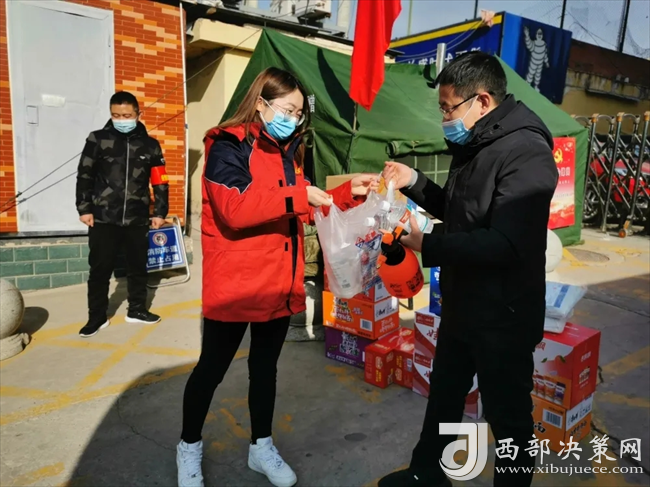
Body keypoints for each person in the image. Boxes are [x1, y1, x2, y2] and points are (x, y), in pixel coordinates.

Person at [176, 67, 378, 487]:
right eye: (287, 109)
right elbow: (234, 208)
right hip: (235, 286)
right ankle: (188, 447)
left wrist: (346, 193)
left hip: (277, 282)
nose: (293, 119)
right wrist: (298, 195)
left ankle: (261, 446)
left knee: (264, 369)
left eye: (299, 113)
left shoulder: (289, 151)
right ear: (261, 103)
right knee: (211, 370)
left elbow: (301, 205)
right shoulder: (227, 145)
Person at [379, 52, 558, 487]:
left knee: (508, 418)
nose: (444, 118)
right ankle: (427, 473)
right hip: (463, 303)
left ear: (482, 100)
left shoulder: (527, 153)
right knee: (445, 394)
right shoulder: (478, 142)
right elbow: (460, 211)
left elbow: (506, 242)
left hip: (504, 315)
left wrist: (428, 244)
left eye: (448, 108)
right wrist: (413, 180)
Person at [75, 91, 169, 338]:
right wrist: (84, 208)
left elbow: (160, 180)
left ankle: (137, 309)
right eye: (116, 115)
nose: (121, 119)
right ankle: (96, 316)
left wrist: (160, 212)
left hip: (138, 217)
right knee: (100, 270)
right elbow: (84, 174)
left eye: (127, 115)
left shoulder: (150, 145)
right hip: (103, 216)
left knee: (138, 267)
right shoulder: (98, 139)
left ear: (138, 114)